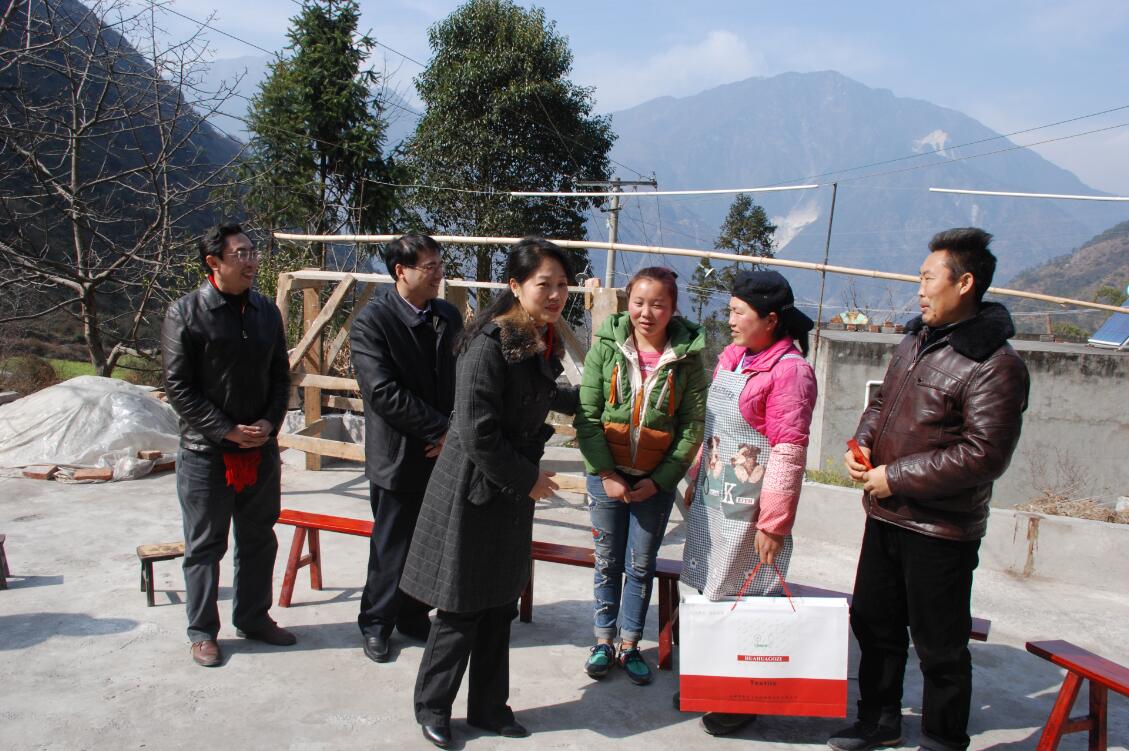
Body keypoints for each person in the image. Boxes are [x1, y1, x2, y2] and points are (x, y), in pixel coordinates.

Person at [828, 228, 1029, 751]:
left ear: (964, 283)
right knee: (873, 623)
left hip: (940, 528)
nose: (919, 290)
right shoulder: (915, 340)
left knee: (940, 645)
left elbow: (984, 455)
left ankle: (943, 739)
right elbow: (881, 404)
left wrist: (894, 476)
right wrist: (862, 444)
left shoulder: (996, 365)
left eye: (927, 278)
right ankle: (878, 721)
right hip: (887, 514)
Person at [400, 237, 580, 749]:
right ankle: (433, 707)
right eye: (544, 284)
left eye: (562, 285)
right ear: (515, 286)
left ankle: (488, 708)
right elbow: (476, 432)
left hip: (508, 490)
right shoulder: (489, 342)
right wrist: (528, 480)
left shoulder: (535, 337)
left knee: (500, 603)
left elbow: (536, 391)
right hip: (474, 488)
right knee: (461, 607)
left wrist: (586, 399)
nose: (555, 295)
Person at [680, 270, 818, 736]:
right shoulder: (735, 358)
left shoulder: (791, 372)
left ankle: (741, 700)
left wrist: (774, 523)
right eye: (731, 309)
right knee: (710, 590)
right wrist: (697, 476)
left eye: (740, 312)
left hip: (750, 509)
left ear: (771, 320)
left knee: (744, 596)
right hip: (716, 499)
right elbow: (714, 429)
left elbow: (788, 450)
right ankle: (709, 684)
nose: (731, 319)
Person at [161, 222, 295, 667]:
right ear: (213, 262)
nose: (251, 261)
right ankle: (202, 632)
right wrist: (225, 429)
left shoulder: (266, 311)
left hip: (260, 447)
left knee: (259, 538)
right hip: (206, 452)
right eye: (241, 254)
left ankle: (254, 618)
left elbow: (280, 376)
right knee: (205, 545)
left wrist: (269, 423)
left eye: (253, 252)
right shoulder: (186, 313)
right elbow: (178, 387)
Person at [574, 267, 708, 686]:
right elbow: (588, 416)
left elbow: (691, 427)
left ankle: (630, 644)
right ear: (627, 302)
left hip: (654, 481)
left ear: (673, 308)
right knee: (607, 560)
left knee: (640, 563)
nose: (646, 313)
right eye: (639, 302)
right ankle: (603, 641)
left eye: (658, 305)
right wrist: (606, 472)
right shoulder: (605, 348)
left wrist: (662, 480)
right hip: (606, 478)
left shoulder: (687, 360)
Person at [350, 233, 463, 663]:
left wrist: (454, 432)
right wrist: (440, 430)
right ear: (401, 271)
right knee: (392, 545)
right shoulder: (373, 322)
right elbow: (382, 392)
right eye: (430, 267)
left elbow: (462, 377)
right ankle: (376, 623)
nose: (439, 275)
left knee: (430, 540)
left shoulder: (447, 315)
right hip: (398, 454)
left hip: (443, 451)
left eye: (440, 266)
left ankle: (413, 615)